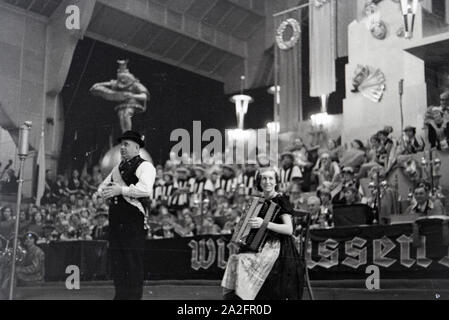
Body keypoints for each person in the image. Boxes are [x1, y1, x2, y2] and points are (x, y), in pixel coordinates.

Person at [221, 167, 304, 300]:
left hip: (279, 248)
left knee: (242, 261)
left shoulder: (281, 200)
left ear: (276, 182)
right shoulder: (258, 202)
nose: (267, 181)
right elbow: (251, 229)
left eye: (271, 178)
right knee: (234, 260)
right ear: (259, 182)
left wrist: (264, 223)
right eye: (264, 178)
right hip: (261, 246)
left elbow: (289, 230)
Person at [95, 131, 156, 300]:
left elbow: (145, 190)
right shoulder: (118, 168)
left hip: (132, 221)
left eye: (126, 144)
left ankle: (133, 297)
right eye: (121, 144)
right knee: (118, 262)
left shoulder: (145, 167)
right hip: (116, 221)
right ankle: (121, 296)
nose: (122, 148)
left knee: (132, 262)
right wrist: (98, 193)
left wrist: (121, 190)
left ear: (137, 147)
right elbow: (104, 185)